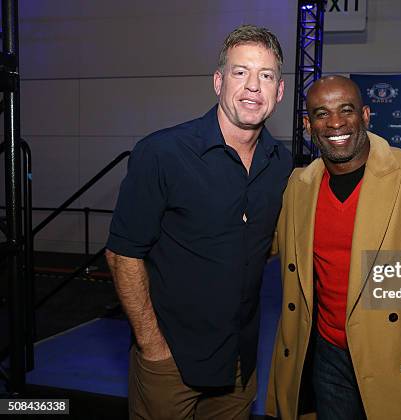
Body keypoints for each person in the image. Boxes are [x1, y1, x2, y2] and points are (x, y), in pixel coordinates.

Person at [265, 76, 401, 420]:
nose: (335, 123)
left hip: (396, 354)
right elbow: (265, 245)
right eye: (321, 114)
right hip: (327, 354)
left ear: (365, 115)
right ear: (308, 126)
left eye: (346, 110)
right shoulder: (298, 186)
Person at [105, 25, 292, 420]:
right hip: (170, 362)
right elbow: (123, 254)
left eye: (266, 75)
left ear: (279, 91)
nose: (253, 86)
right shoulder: (162, 153)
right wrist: (152, 347)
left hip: (241, 364)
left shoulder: (281, 164)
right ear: (218, 81)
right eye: (240, 72)